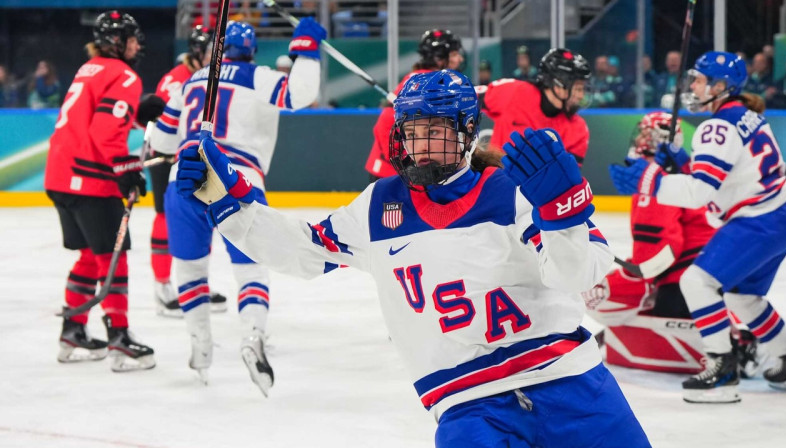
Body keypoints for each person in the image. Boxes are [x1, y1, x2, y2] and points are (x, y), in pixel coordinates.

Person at [175, 68, 650, 447]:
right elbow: (301, 249)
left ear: (467, 132)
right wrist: (228, 199)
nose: (419, 145)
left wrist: (562, 217)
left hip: (571, 382)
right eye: (412, 132)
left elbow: (576, 275)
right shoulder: (380, 206)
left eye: (435, 131)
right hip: (468, 404)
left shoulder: (514, 192)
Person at [611, 51, 786, 401]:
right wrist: (681, 161)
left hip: (757, 220)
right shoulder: (746, 116)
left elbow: (700, 193)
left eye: (698, 80)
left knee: (695, 281)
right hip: (783, 217)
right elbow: (727, 174)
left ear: (720, 86)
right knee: (744, 297)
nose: (692, 86)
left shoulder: (717, 126)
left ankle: (722, 369)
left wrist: (650, 180)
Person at [149, 19, 324, 394]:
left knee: (191, 268)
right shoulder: (258, 75)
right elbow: (301, 93)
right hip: (235, 178)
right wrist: (306, 49)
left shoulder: (191, 80)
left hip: (184, 175)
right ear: (251, 51)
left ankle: (200, 346)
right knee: (251, 268)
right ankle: (253, 337)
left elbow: (162, 142)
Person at [589, 112, 762, 376]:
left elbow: (658, 255)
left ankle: (729, 344)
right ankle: (735, 327)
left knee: (602, 296)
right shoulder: (691, 171)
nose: (640, 141)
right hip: (721, 272)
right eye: (641, 134)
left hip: (686, 282)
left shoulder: (655, 181)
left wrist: (617, 282)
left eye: (648, 135)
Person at [44, 11, 154, 372]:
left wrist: (138, 114)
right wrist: (127, 172)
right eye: (132, 39)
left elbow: (94, 115)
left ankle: (72, 331)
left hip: (60, 176)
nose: (138, 45)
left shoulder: (89, 68)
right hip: (89, 178)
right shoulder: (124, 74)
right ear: (117, 42)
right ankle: (119, 338)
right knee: (113, 254)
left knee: (93, 255)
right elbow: (105, 132)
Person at [134, 25, 227, 318]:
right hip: (166, 157)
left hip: (193, 159)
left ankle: (197, 283)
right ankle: (162, 289)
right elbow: (159, 125)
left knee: (203, 217)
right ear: (198, 53)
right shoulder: (176, 80)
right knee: (164, 219)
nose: (216, 58)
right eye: (211, 53)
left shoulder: (210, 77)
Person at [364, 28, 463, 180]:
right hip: (390, 175)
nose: (460, 59)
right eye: (455, 54)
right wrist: (406, 164)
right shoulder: (421, 82)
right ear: (438, 59)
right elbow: (385, 123)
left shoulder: (431, 79)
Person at [481, 48, 592, 167]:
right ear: (558, 84)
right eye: (578, 89)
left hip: (537, 185)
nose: (581, 96)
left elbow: (566, 180)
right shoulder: (514, 92)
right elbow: (467, 97)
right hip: (495, 181)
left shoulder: (578, 130)